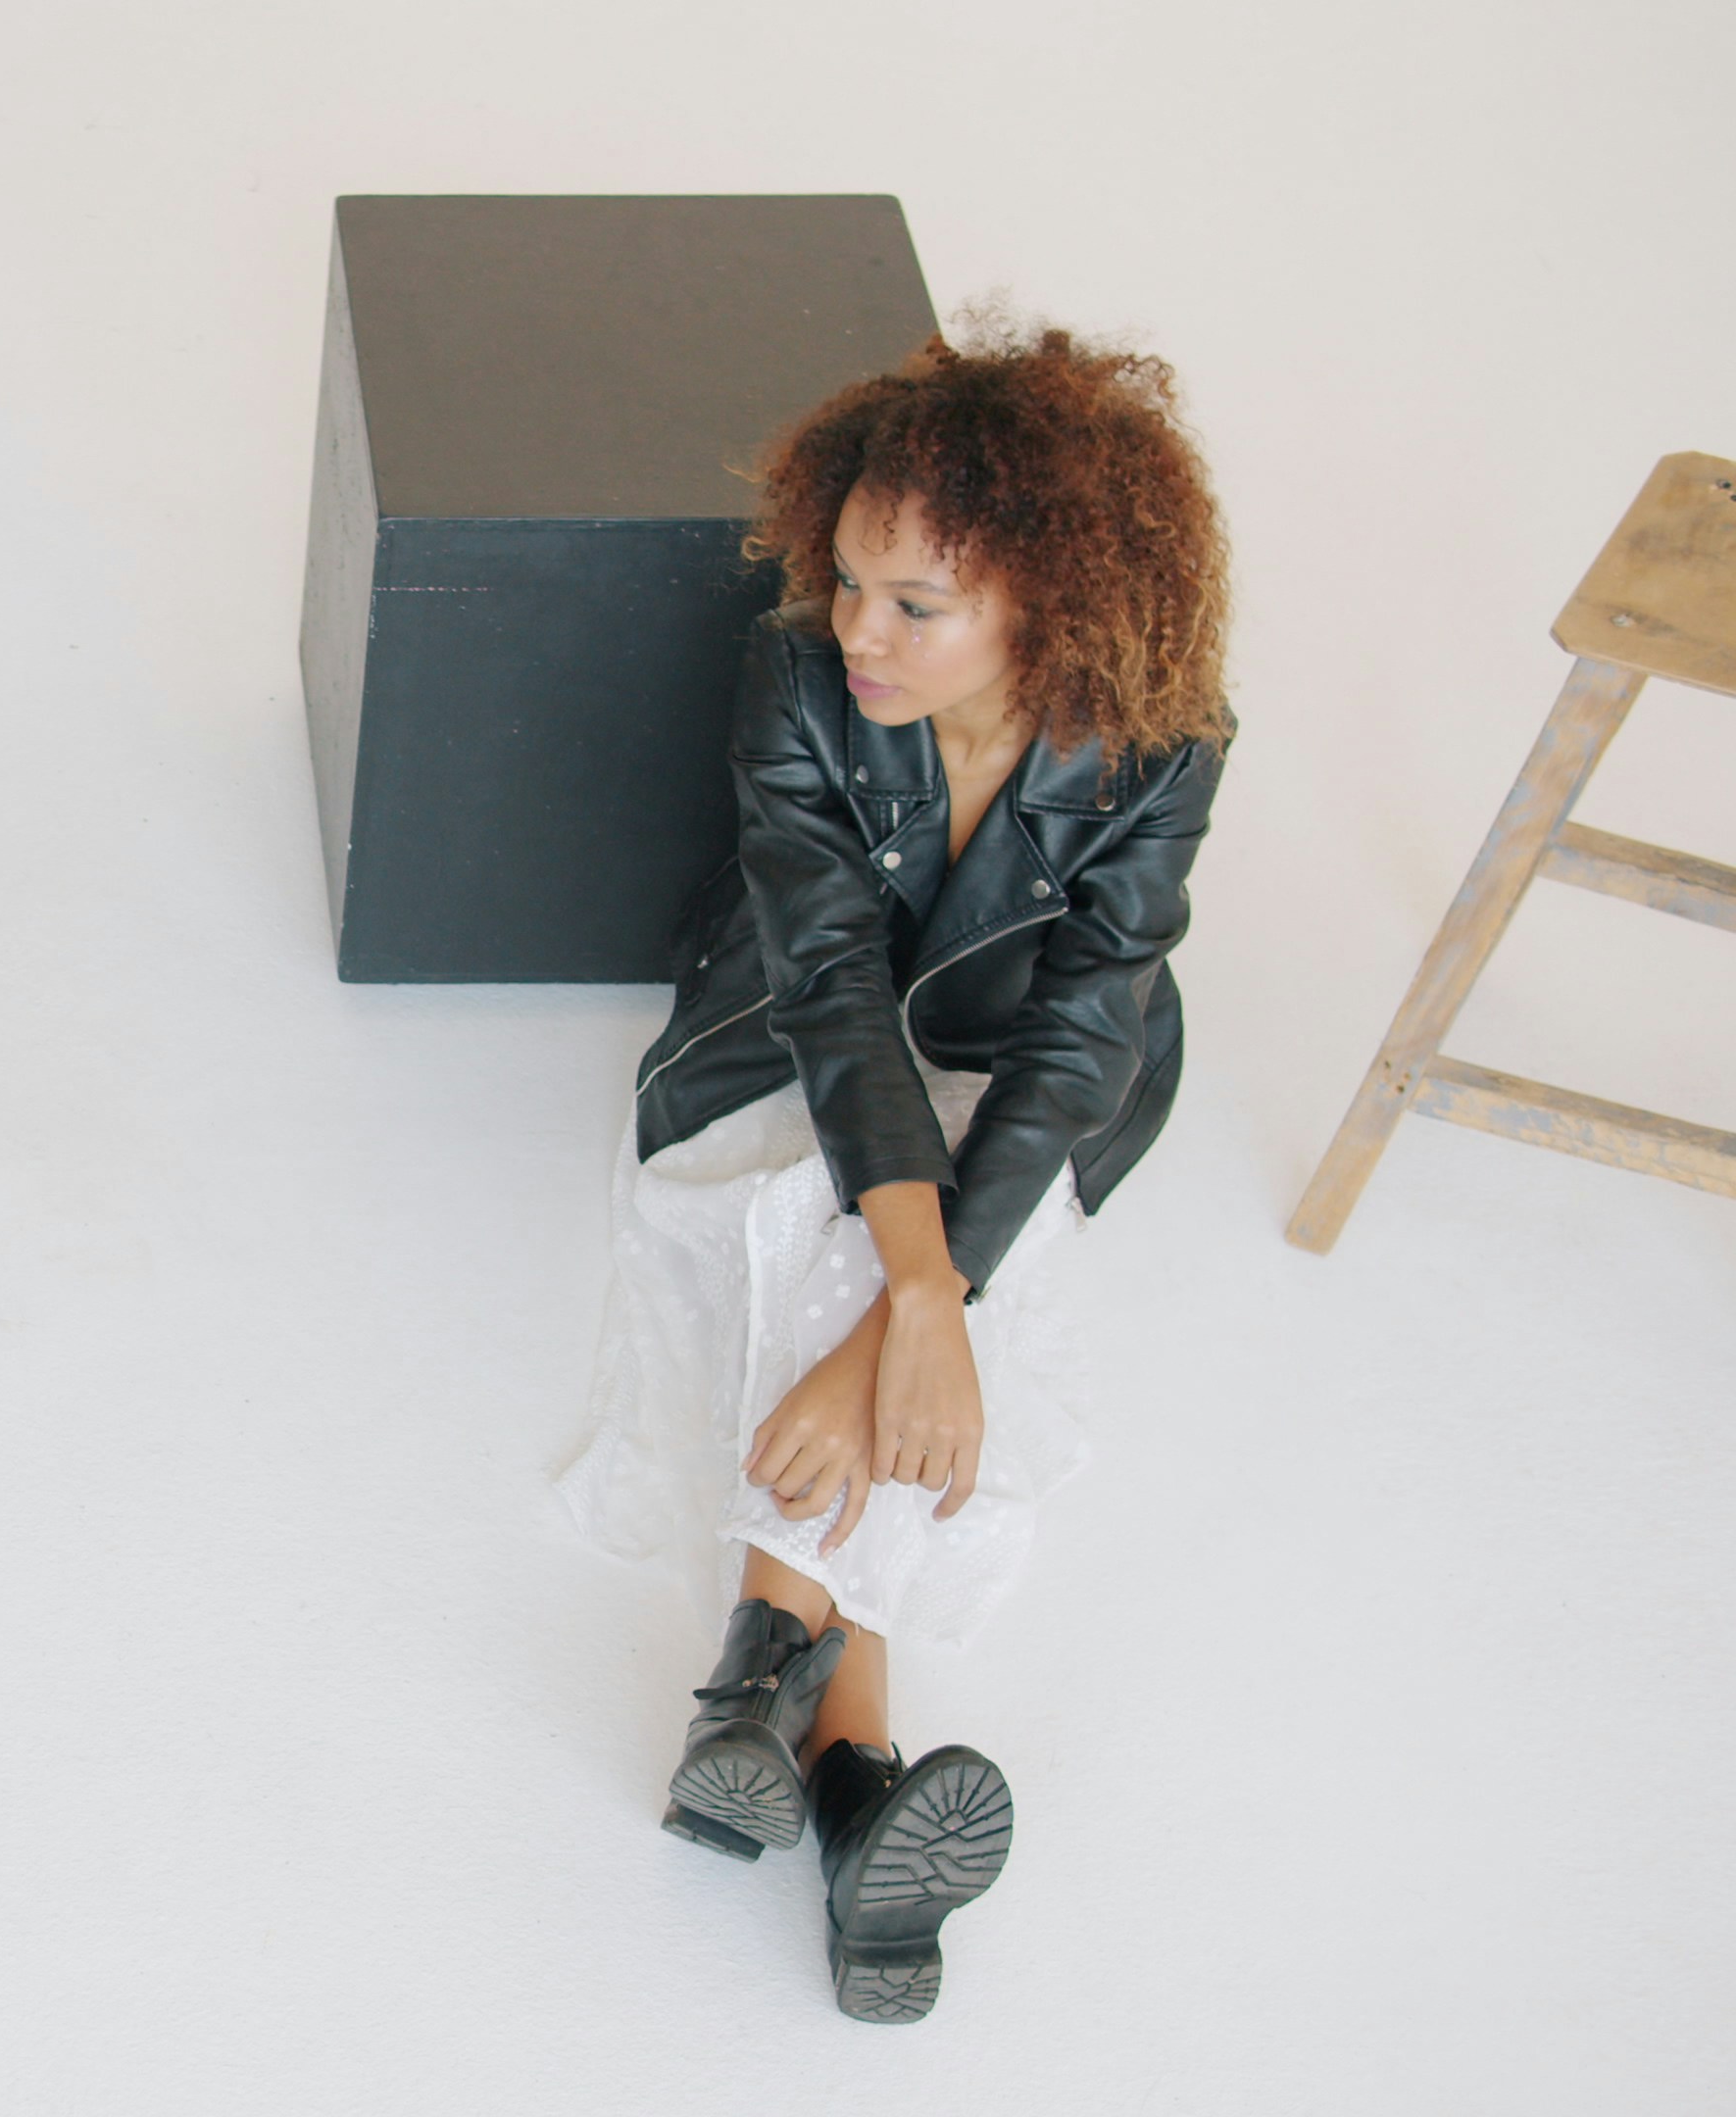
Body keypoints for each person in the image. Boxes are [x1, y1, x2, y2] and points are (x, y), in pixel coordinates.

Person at [558, 325, 1232, 2023]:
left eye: (915, 605)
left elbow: (1079, 1044)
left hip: (1033, 1087)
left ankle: (754, 1681)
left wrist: (899, 1318)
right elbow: (833, 985)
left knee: (849, 1275)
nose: (856, 629)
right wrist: (918, 1300)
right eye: (850, 580)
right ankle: (855, 1785)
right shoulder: (801, 677)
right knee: (816, 1226)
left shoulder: (1162, 740)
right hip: (784, 1036)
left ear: (1050, 607)